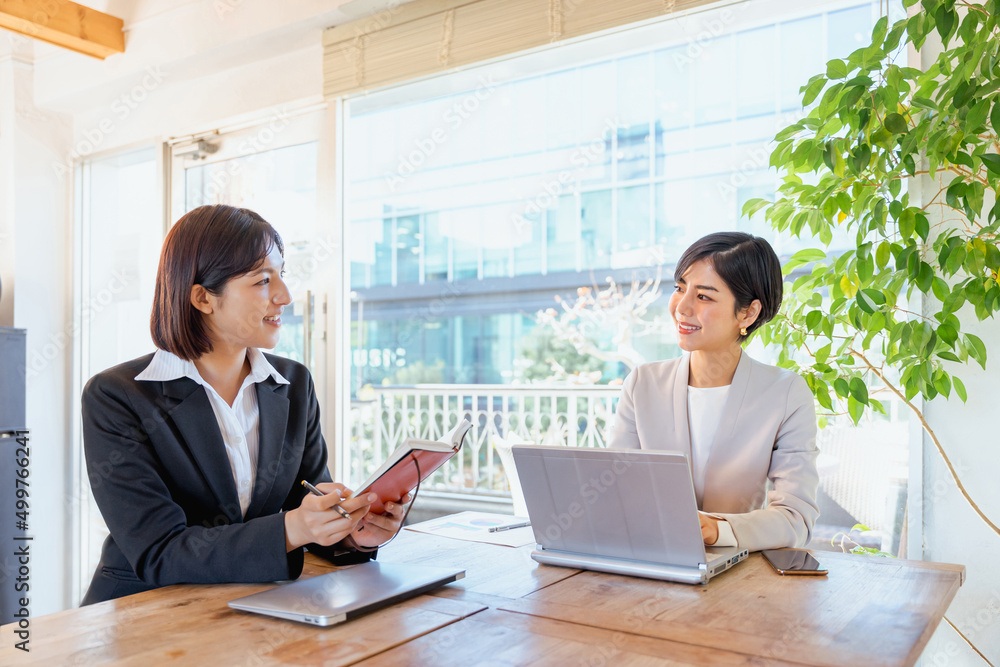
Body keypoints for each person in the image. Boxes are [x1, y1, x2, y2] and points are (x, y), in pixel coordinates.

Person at [81, 204, 408, 605]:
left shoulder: (293, 384)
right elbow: (158, 551)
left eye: (281, 275)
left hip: (252, 606)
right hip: (145, 611)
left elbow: (306, 506)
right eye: (261, 281)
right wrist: (293, 529)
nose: (284, 296)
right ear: (203, 298)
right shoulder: (117, 396)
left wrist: (353, 533)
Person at [607, 232, 819, 552]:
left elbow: (796, 518)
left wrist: (717, 529)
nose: (682, 307)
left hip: (741, 575)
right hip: (650, 562)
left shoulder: (786, 394)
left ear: (748, 313)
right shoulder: (642, 384)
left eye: (704, 296)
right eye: (680, 288)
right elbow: (613, 492)